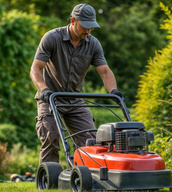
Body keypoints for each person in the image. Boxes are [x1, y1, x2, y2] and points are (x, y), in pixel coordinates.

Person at [30, 3, 124, 164]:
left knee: (90, 140)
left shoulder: (93, 44)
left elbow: (105, 71)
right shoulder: (52, 38)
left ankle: (83, 175)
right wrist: (44, 89)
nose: (88, 31)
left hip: (75, 100)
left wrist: (113, 91)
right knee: (50, 136)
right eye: (85, 26)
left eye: (91, 27)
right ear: (73, 21)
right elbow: (35, 69)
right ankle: (48, 180)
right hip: (50, 98)